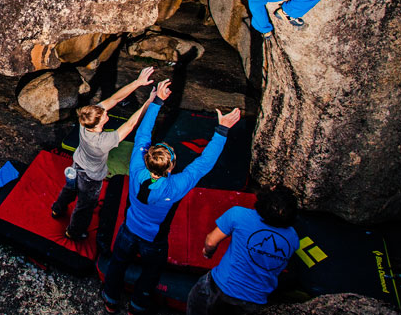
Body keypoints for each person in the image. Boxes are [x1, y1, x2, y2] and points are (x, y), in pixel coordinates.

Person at [100, 83, 241, 314]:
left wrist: (157, 102)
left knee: (118, 263)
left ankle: (110, 300)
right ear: (170, 167)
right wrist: (222, 130)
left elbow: (143, 135)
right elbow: (203, 164)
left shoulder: (136, 167)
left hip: (129, 229)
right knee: (151, 273)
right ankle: (137, 306)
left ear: (147, 158)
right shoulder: (174, 187)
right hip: (153, 240)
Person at [51, 66, 158, 240]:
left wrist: (138, 82)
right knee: (84, 206)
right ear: (98, 124)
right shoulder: (102, 142)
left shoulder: (86, 119)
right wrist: (149, 103)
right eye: (104, 116)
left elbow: (114, 99)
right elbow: (130, 125)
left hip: (76, 165)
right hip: (91, 178)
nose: (106, 114)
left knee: (69, 189)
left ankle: (57, 209)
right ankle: (73, 232)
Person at [186, 185, 300, 314]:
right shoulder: (293, 237)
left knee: (198, 300)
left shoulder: (239, 215)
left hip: (223, 287)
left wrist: (208, 253)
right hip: (256, 301)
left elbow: (211, 242)